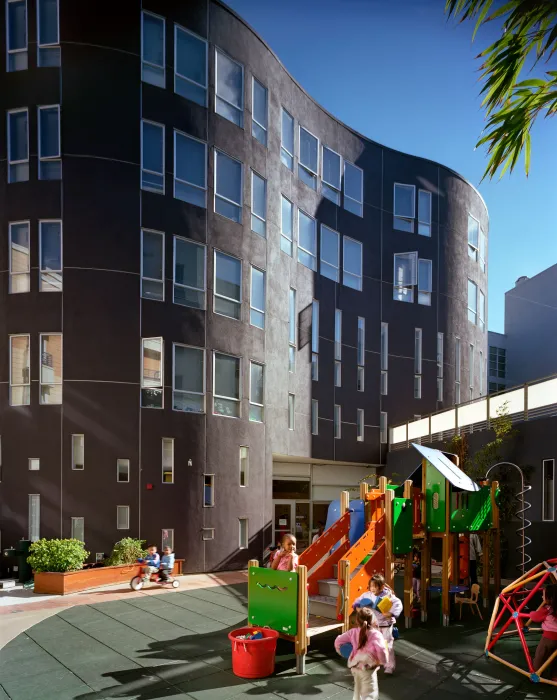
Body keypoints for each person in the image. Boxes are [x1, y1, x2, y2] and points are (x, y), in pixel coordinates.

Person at [352, 573, 402, 674]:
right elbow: (357, 601)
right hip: (373, 626)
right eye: (371, 586)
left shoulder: (389, 596)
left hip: (385, 625)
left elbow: (398, 604)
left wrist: (391, 613)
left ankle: (389, 666)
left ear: (382, 587)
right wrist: (357, 607)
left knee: (387, 645)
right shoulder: (367, 595)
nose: (372, 589)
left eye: (375, 586)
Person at [334, 607, 387, 700]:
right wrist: (382, 661)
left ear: (357, 621)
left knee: (357, 693)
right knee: (370, 694)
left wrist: (343, 652)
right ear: (373, 620)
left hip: (355, 666)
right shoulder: (376, 634)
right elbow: (382, 649)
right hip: (368, 668)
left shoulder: (352, 632)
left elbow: (338, 641)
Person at [529, 584, 557, 679]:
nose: (542, 596)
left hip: (548, 639)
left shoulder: (547, 609)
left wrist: (531, 613)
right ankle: (554, 676)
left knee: (540, 655)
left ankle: (535, 673)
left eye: (543, 595)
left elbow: (535, 617)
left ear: (550, 598)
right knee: (555, 658)